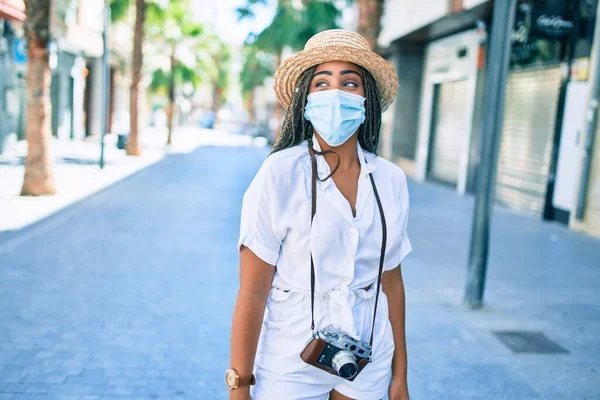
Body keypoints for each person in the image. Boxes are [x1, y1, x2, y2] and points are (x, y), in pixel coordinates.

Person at [227, 29, 411, 400]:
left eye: (350, 82)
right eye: (322, 82)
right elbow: (253, 288)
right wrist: (240, 386)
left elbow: (391, 283)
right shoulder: (280, 173)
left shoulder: (390, 180)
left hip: (368, 352)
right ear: (306, 99)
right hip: (291, 353)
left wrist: (400, 375)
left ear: (366, 99)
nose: (336, 93)